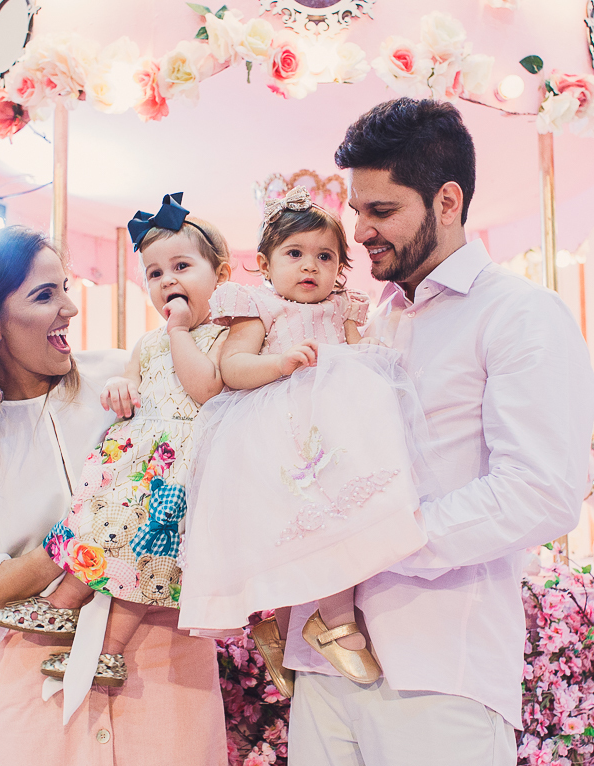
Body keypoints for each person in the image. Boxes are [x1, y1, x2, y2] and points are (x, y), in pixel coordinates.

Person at [283, 99, 594, 766]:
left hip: (441, 665)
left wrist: (380, 539)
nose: (358, 231)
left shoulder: (519, 315)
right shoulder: (365, 326)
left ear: (447, 199)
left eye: (381, 210)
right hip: (327, 659)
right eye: (356, 209)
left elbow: (542, 489)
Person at [0, 225, 229, 766]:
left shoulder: (128, 376)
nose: (69, 306)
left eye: (64, 288)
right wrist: (76, 540)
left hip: (165, 659)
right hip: (43, 672)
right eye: (43, 296)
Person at [179, 186, 431, 694]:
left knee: (343, 514)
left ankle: (309, 620)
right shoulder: (261, 308)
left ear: (340, 268)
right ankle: (325, 622)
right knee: (296, 524)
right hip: (277, 430)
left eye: (324, 256)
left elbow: (363, 356)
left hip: (333, 430)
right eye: (295, 254)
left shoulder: (343, 309)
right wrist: (281, 363)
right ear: (267, 266)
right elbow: (232, 367)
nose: (310, 266)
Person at [0, 194, 232, 687]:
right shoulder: (147, 343)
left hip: (186, 466)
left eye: (181, 266)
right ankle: (65, 604)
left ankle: (107, 646)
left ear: (222, 275)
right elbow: (135, 383)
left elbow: (205, 388)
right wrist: (124, 388)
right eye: (154, 273)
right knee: (105, 521)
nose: (168, 281)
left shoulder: (227, 334)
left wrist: (182, 330)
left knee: (146, 556)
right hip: (140, 462)